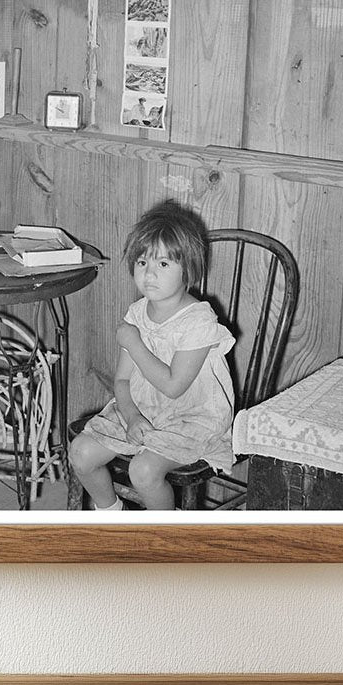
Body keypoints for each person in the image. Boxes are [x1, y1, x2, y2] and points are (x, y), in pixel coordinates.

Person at [68, 200, 236, 510]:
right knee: (80, 452)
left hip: (191, 417)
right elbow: (121, 380)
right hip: (142, 409)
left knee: (143, 471)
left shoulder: (198, 321)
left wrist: (133, 343)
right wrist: (132, 416)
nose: (149, 274)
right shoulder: (137, 314)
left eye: (163, 264)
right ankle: (111, 513)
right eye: (142, 263)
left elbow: (173, 386)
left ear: (188, 269)